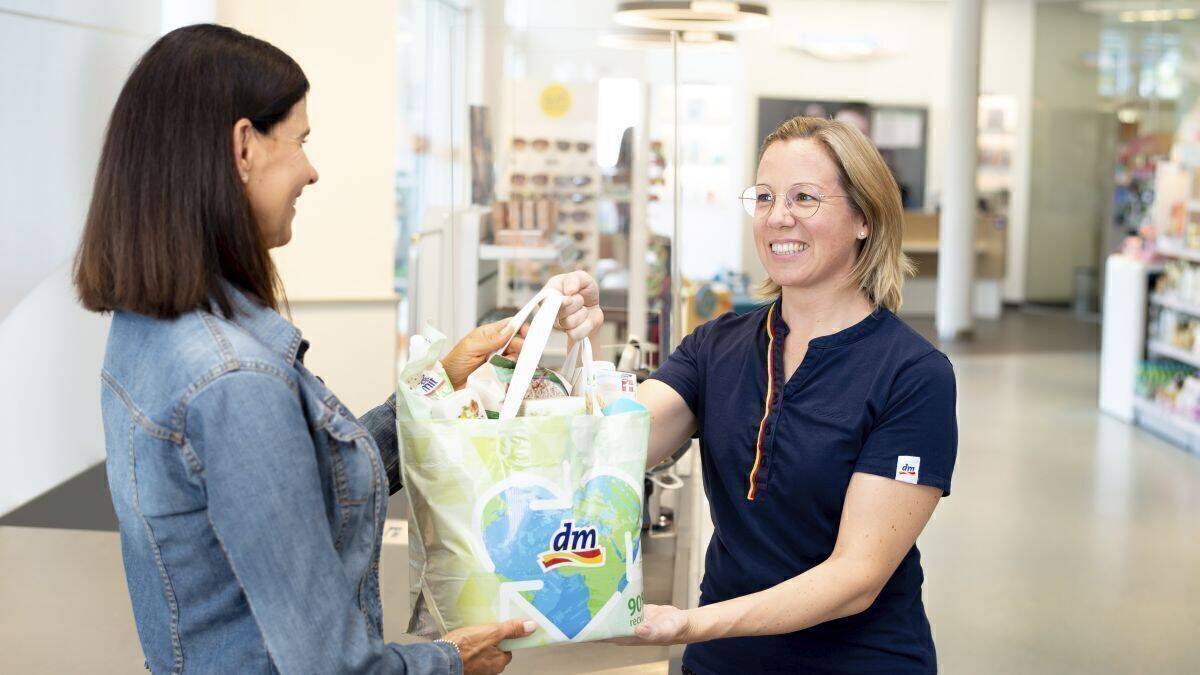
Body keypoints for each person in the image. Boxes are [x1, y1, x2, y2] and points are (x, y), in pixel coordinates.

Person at [72, 24, 602, 674]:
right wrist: (449, 659)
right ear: (244, 147)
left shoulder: (152, 328)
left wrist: (441, 380)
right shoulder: (235, 378)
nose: (311, 170)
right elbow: (334, 666)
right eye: (300, 141)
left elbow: (305, 486)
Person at [623, 116, 958, 673]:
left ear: (865, 218)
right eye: (765, 197)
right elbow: (619, 441)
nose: (778, 217)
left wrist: (691, 625)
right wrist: (560, 362)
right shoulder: (716, 346)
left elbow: (856, 578)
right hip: (723, 663)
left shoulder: (913, 375)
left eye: (805, 197)